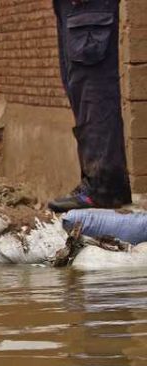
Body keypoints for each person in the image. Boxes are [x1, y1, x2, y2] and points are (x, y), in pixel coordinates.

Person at [48, 0, 132, 211]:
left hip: (89, 9)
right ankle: (99, 185)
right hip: (72, 8)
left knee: (93, 88)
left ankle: (103, 189)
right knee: (79, 87)